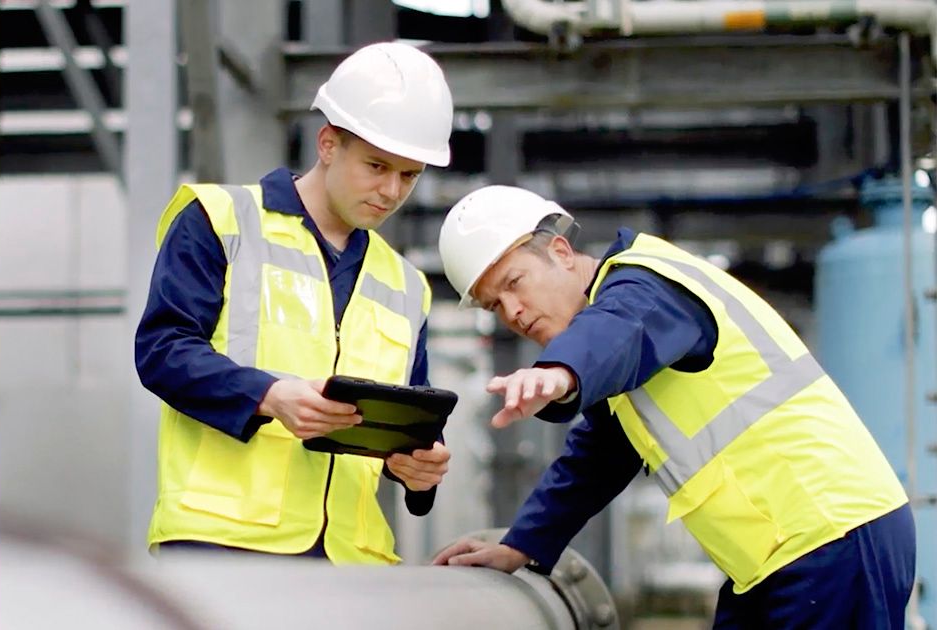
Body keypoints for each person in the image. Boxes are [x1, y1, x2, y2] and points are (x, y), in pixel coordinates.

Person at [432, 185, 916, 628]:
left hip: (832, 536)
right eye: (495, 304)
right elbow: (598, 455)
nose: (512, 311)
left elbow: (620, 327)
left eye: (515, 282)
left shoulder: (647, 285)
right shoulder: (627, 355)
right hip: (777, 558)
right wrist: (522, 544)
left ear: (560, 251)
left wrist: (560, 372)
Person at [135, 42, 454, 564]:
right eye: (377, 166)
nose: (392, 190)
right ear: (328, 144)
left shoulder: (405, 284)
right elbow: (162, 351)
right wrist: (269, 395)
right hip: (225, 546)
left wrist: (419, 472)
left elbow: (411, 425)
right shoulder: (220, 219)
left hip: (352, 563)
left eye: (409, 175)